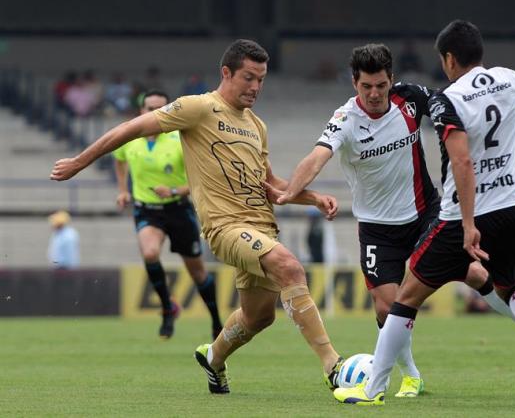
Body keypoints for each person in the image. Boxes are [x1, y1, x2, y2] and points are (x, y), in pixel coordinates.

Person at [50, 39, 344, 395]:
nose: (255, 87)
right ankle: (333, 365)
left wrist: (314, 198)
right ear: (226, 72)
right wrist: (79, 162)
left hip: (263, 227)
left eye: (261, 80)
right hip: (226, 227)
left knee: (258, 317)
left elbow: (272, 185)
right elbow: (131, 129)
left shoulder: (257, 125)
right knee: (291, 268)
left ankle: (214, 358)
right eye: (248, 77)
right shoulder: (198, 108)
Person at [333, 20, 515, 406]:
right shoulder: (507, 78)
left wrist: (468, 225)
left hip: (460, 216)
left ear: (449, 59)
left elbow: (463, 162)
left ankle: (372, 390)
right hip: (512, 208)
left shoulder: (447, 99)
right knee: (511, 284)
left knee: (405, 300)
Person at [267, 43, 508, 398]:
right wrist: (292, 192)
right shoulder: (345, 119)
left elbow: (449, 106)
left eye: (381, 85)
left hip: (426, 213)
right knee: (386, 307)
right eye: (367, 86)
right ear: (354, 83)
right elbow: (317, 157)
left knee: (473, 272)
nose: (375, 93)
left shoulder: (409, 100)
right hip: (378, 228)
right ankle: (411, 375)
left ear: (391, 79)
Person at [112, 89, 223, 340]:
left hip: (178, 208)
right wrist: (122, 190)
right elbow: (119, 160)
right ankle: (167, 308)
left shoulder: (179, 139)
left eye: (161, 108)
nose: (155, 113)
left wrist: (174, 189)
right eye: (150, 108)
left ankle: (216, 322)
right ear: (141, 111)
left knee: (197, 271)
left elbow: (201, 179)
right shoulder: (130, 137)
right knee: (150, 252)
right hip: (147, 209)